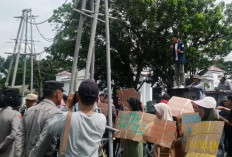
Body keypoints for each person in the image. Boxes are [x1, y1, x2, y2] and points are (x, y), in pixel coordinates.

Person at [47, 79, 106, 157]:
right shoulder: (102, 119)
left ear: (78, 96)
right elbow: (94, 109)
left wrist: (67, 105)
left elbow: (49, 128)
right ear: (97, 99)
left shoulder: (66, 117)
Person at [15, 81, 64, 157]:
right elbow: (43, 141)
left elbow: (20, 136)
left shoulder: (29, 110)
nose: (62, 96)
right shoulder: (56, 113)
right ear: (57, 93)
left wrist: (18, 155)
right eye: (62, 93)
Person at [0, 89, 21, 157]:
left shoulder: (1, 112)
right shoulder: (15, 114)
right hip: (9, 152)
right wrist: (2, 146)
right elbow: (14, 134)